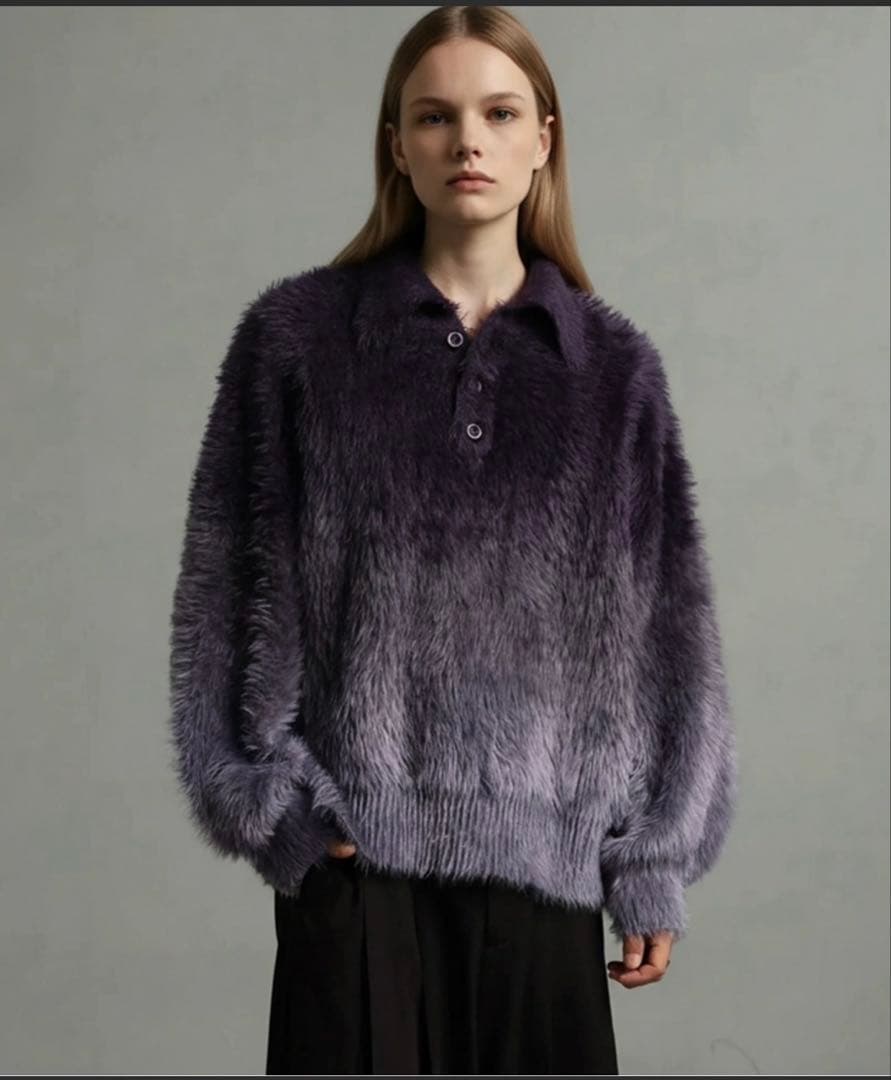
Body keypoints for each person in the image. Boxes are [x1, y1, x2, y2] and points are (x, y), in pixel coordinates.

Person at [167, 5, 738, 1075]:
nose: (467, 141)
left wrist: (653, 859)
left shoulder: (613, 374)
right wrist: (274, 809)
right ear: (397, 145)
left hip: (547, 873)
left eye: (499, 113)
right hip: (357, 871)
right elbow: (230, 593)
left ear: (543, 140)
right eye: (434, 117)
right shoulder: (296, 343)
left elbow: (669, 637)